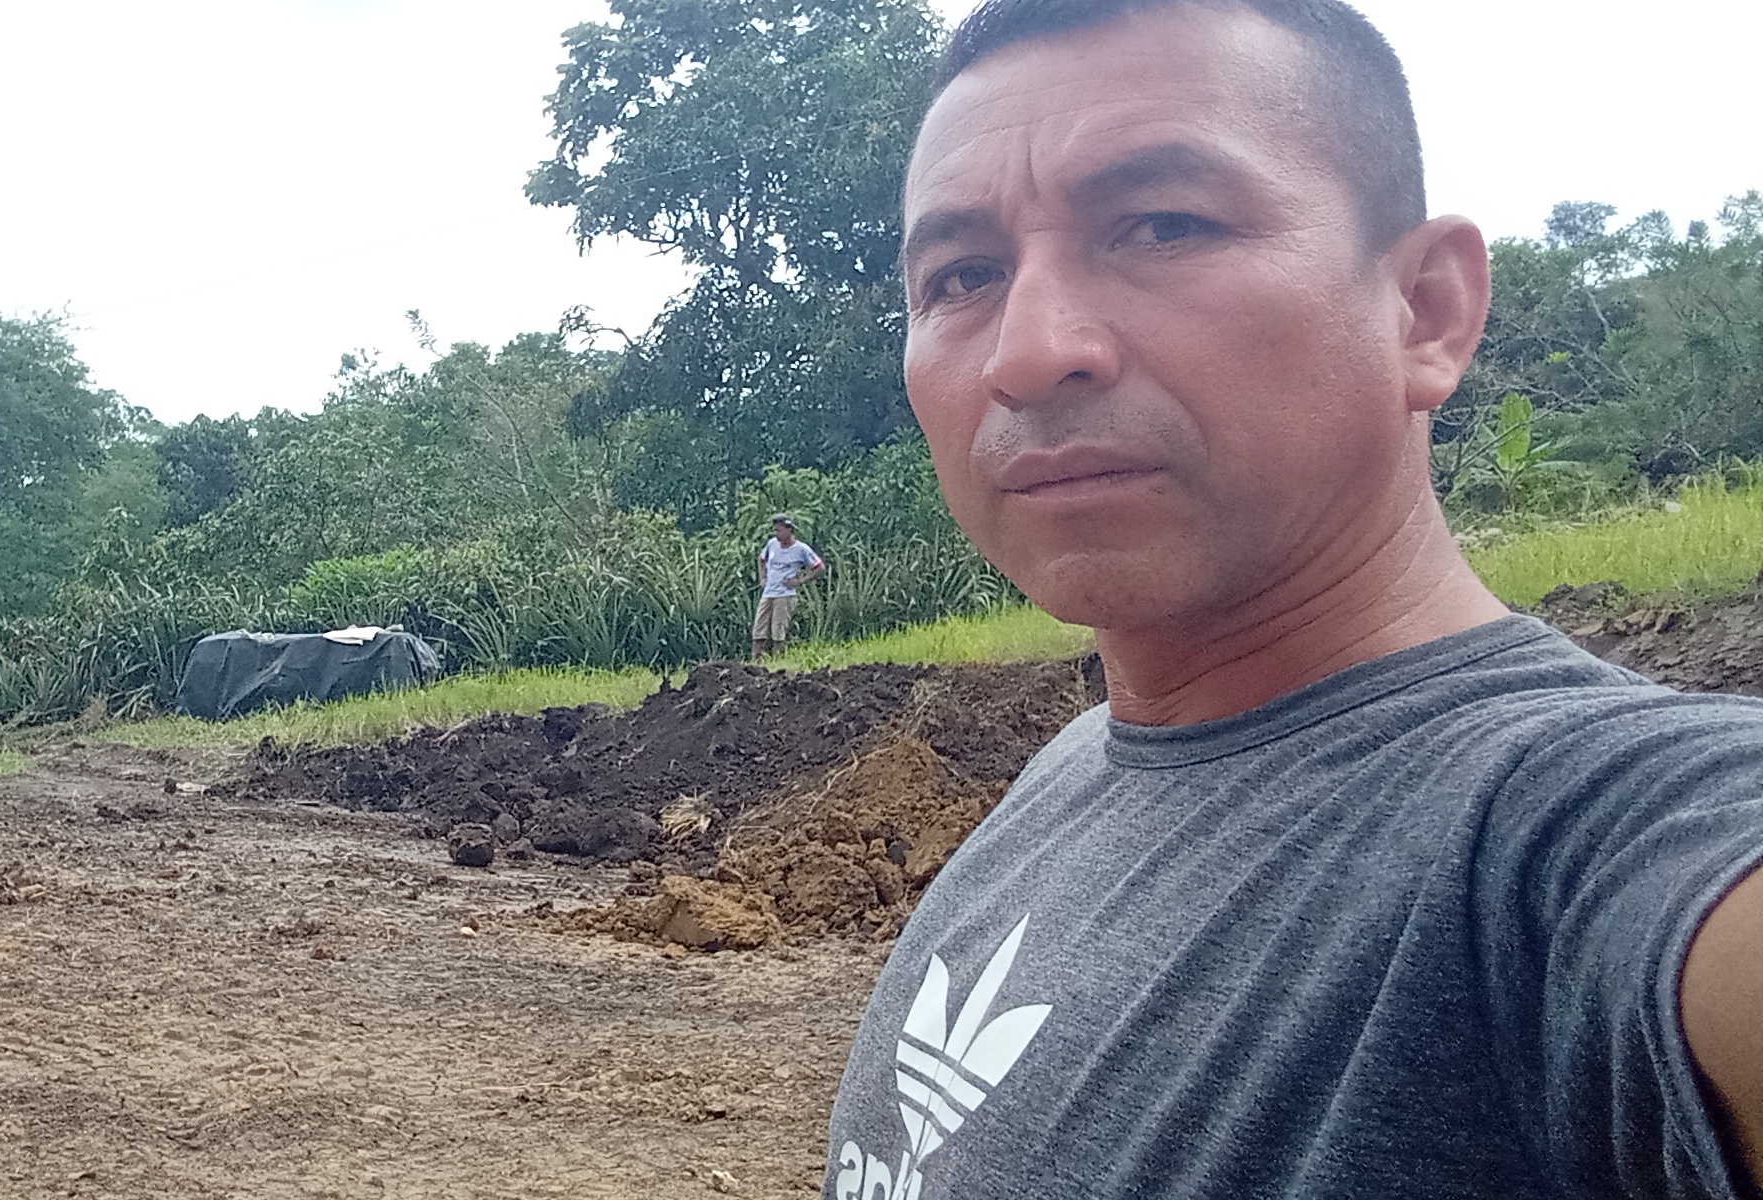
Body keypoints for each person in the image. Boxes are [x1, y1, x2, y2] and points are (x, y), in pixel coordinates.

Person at [823, 2, 1763, 1198]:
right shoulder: (1076, 768)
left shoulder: (1576, 842)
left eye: (1163, 226)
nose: (1029, 351)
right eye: (963, 276)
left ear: (1425, 311)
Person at [754, 514, 827, 659]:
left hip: (785, 594)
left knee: (778, 632)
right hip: (768, 593)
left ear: (789, 530)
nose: (777, 534)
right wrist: (763, 577)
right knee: (758, 631)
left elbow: (820, 568)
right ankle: (756, 660)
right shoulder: (772, 544)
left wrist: (800, 581)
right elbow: (762, 559)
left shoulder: (801, 549)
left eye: (779, 530)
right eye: (775, 530)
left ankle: (778, 661)